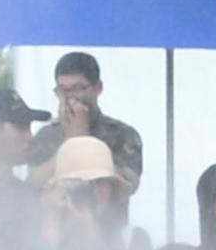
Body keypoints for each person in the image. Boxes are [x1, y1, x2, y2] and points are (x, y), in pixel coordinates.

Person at [23, 51, 145, 203]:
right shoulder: (46, 135)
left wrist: (83, 140)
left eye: (78, 88)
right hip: (58, 222)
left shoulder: (122, 134)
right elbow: (32, 184)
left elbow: (128, 186)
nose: (71, 97)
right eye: (63, 90)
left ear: (98, 88)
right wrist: (70, 143)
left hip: (106, 224)